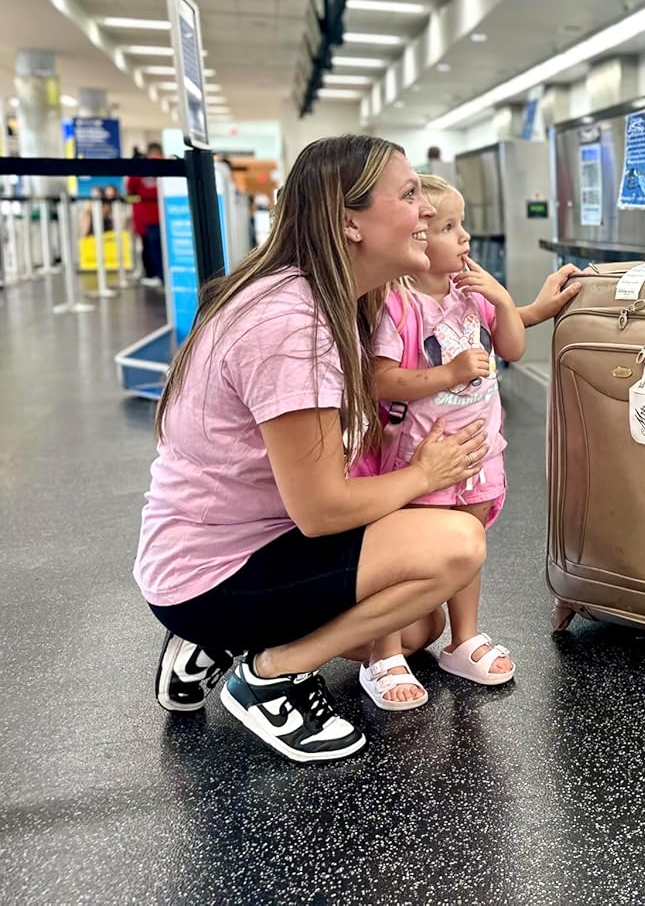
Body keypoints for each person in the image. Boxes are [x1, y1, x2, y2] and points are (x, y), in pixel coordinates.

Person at [134, 135, 581, 763]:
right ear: (351, 223)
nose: (428, 211)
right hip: (219, 568)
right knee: (456, 545)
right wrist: (424, 473)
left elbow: (463, 327)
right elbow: (322, 511)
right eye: (409, 195)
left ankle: (211, 641)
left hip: (249, 540)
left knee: (417, 629)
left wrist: (529, 308)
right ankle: (268, 674)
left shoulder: (327, 293)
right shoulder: (292, 325)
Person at [357, 174, 524, 710]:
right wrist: (448, 374)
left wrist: (503, 300)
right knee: (405, 555)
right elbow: (380, 379)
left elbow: (512, 349)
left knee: (468, 544)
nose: (465, 236)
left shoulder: (472, 296)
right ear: (417, 240)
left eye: (461, 223)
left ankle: (463, 638)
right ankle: (384, 653)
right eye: (450, 227)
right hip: (419, 457)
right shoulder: (398, 305)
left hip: (478, 453)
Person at [126, 142, 164, 286]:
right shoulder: (166, 165)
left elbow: (130, 187)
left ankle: (158, 275)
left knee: (153, 248)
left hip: (150, 215)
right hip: (162, 213)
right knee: (155, 247)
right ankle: (158, 275)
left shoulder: (143, 167)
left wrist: (135, 166)